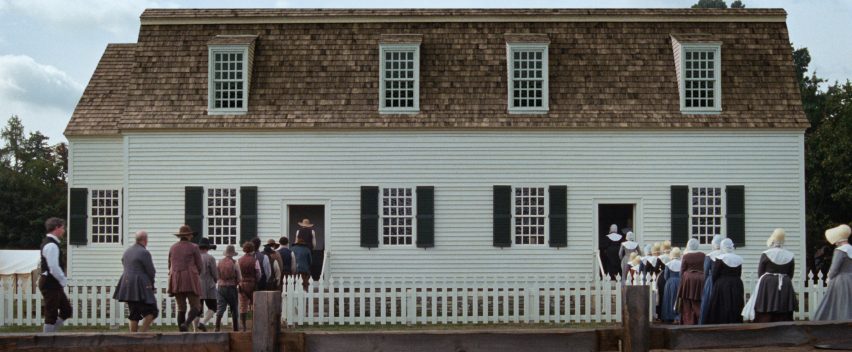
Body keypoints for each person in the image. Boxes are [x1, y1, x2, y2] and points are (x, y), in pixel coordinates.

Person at [745, 229, 797, 322]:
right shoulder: (790, 255)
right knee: (783, 306)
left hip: (768, 282)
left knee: (766, 305)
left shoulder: (766, 254)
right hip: (785, 282)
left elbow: (760, 272)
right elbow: (790, 273)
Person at [114, 231, 158, 332]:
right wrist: (152, 284)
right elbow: (151, 271)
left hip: (127, 285)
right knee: (152, 312)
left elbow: (124, 263)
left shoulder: (127, 251)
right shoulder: (144, 252)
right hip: (141, 286)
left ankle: (132, 337)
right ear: (145, 240)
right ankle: (141, 335)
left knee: (134, 313)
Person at [167, 225, 204, 332]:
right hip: (190, 280)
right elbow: (200, 265)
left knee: (181, 308)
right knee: (196, 306)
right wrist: (196, 274)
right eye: (191, 234)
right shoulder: (194, 247)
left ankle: (181, 333)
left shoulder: (172, 247)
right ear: (188, 235)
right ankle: (186, 323)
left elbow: (170, 265)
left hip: (176, 279)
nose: (192, 236)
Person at [812, 224, 852, 321]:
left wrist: (829, 277)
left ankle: (836, 322)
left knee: (838, 302)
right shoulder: (850, 248)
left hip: (841, 280)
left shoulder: (840, 251)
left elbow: (834, 269)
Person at [39, 217, 72, 333]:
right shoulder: (51, 245)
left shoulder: (52, 243)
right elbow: (53, 267)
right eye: (63, 228)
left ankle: (51, 334)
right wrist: (63, 280)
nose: (64, 231)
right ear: (56, 228)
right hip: (49, 282)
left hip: (53, 282)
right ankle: (46, 341)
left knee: (66, 310)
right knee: (51, 313)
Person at [706, 239, 744, 324]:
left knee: (722, 304)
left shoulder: (720, 258)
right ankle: (734, 321)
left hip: (722, 284)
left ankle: (721, 321)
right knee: (735, 303)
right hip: (736, 283)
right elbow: (739, 273)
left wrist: (716, 284)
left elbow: (715, 274)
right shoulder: (738, 258)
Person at [677, 239, 706, 325]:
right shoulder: (703, 255)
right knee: (699, 300)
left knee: (687, 301)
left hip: (688, 279)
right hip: (701, 279)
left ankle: (688, 320)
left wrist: (682, 281)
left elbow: (682, 270)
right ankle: (699, 319)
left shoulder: (686, 256)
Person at [699, 234, 724, 324]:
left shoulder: (709, 256)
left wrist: (705, 283)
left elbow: (705, 271)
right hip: (722, 280)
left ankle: (706, 320)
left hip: (711, 280)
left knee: (708, 300)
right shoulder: (725, 255)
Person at [215, 245, 241, 332]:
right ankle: (235, 329)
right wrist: (236, 283)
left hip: (221, 287)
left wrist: (221, 281)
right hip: (231, 287)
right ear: (233, 254)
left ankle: (217, 327)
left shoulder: (219, 262)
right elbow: (239, 277)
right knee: (234, 308)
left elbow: (217, 276)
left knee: (221, 307)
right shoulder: (235, 263)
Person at [194, 238, 218, 332]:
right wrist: (216, 280)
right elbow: (215, 274)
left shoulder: (195, 258)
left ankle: (195, 331)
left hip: (196, 284)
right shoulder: (210, 258)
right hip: (208, 285)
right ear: (207, 248)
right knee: (213, 307)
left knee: (197, 309)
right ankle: (202, 323)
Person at [237, 241, 261, 330]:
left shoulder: (239, 260)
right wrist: (256, 281)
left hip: (242, 285)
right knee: (254, 305)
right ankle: (255, 325)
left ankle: (243, 326)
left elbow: (237, 273)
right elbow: (259, 273)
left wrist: (240, 281)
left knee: (243, 306)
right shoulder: (255, 260)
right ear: (252, 250)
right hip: (252, 284)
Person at [661, 247, 682, 324]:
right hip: (680, 282)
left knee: (670, 299)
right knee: (678, 299)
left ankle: (669, 316)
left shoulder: (668, 264)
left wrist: (669, 281)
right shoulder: (681, 263)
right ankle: (678, 316)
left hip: (670, 282)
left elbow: (666, 276)